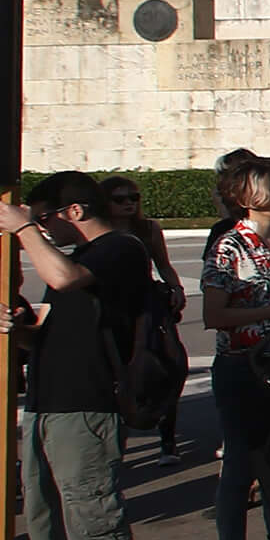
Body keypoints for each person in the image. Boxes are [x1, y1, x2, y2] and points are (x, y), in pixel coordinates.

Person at [0, 176, 153, 540]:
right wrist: (12, 329)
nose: (42, 228)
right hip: (46, 397)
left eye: (46, 217)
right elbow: (48, 328)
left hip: (89, 400)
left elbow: (64, 280)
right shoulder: (71, 257)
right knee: (48, 511)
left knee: (94, 509)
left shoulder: (118, 249)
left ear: (75, 212)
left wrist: (25, 231)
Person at [198, 160, 270, 540]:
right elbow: (215, 315)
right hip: (244, 364)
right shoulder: (228, 247)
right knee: (241, 461)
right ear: (244, 196)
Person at [101, 176, 191, 460]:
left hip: (146, 304)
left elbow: (163, 264)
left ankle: (167, 440)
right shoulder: (100, 230)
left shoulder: (148, 229)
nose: (128, 203)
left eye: (133, 198)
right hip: (113, 306)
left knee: (162, 365)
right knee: (116, 372)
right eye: (120, 199)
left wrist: (175, 288)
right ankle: (116, 442)